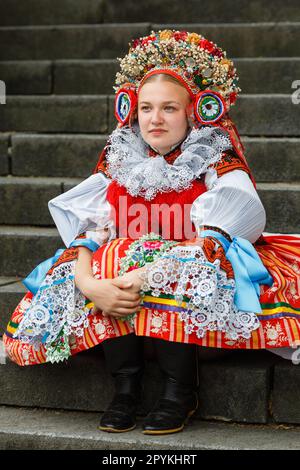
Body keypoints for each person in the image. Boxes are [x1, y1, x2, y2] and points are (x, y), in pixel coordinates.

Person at [3, 29, 300, 436]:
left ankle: (180, 390)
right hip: (124, 297)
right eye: (145, 108)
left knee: (146, 254)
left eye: (168, 108)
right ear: (131, 110)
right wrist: (91, 284)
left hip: (193, 291)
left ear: (193, 113)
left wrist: (141, 275)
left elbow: (213, 243)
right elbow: (87, 236)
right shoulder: (121, 159)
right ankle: (126, 386)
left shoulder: (214, 160)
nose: (154, 119)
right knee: (112, 251)